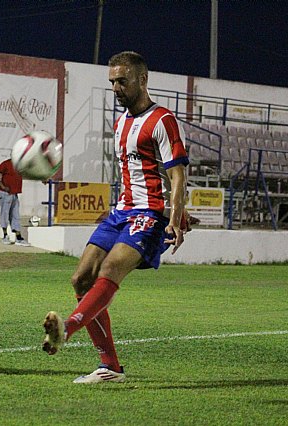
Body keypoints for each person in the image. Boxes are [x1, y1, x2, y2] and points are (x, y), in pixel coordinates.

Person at [42, 51, 189, 384]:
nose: (116, 88)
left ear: (142, 79)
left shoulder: (162, 120)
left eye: (122, 81)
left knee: (109, 270)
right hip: (122, 210)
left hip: (149, 213)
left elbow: (176, 176)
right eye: (112, 82)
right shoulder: (120, 122)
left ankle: (67, 328)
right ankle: (110, 367)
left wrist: (175, 216)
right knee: (81, 278)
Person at [0, 158, 30, 246]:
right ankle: (5, 235)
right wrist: (2, 185)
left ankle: (18, 237)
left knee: (15, 215)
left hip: (14, 194)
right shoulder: (7, 163)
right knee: (5, 214)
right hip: (5, 193)